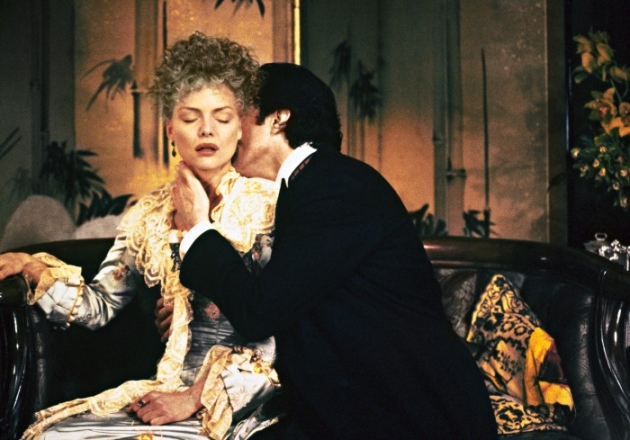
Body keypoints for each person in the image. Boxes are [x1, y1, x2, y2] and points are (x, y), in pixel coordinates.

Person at [171, 62, 498, 439]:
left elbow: (261, 311)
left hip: (419, 419)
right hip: (352, 411)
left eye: (235, 114)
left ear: (277, 119)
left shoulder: (333, 186)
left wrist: (198, 226)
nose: (226, 130)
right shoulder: (309, 184)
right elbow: (288, 306)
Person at [0, 32, 281, 440]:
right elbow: (98, 307)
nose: (207, 130)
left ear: (240, 128)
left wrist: (194, 398)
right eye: (190, 118)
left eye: (222, 118)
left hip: (241, 399)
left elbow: (282, 328)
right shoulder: (148, 215)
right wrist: (31, 267)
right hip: (166, 390)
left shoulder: (269, 208)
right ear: (169, 129)